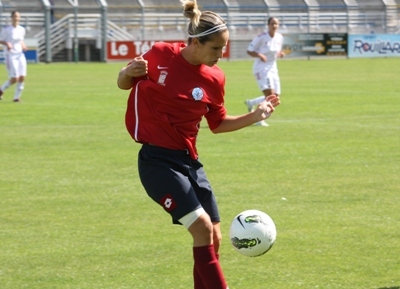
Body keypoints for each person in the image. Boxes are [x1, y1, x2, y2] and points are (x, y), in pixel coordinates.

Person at [117, 0, 280, 288]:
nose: (221, 54)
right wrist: (129, 72)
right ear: (194, 42)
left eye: (224, 47)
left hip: (190, 163)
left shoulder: (216, 78)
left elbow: (218, 124)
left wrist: (256, 115)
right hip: (157, 162)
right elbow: (123, 82)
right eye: (215, 48)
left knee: (213, 238)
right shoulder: (160, 54)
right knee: (202, 229)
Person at [245, 16, 285, 126]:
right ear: (268, 25)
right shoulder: (261, 37)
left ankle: (251, 103)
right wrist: (259, 55)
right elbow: (249, 50)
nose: (274, 26)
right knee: (269, 95)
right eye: (272, 23)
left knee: (275, 97)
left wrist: (280, 54)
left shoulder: (280, 37)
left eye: (276, 24)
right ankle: (259, 119)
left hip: (273, 68)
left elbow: (276, 52)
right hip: (261, 68)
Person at [0, 11, 27, 102]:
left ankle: (16, 97)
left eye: (18, 17)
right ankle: (1, 90)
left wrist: (23, 45)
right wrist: (7, 43)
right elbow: (1, 40)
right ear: (11, 18)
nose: (17, 18)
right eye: (15, 16)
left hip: (20, 54)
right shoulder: (7, 29)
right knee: (14, 78)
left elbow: (21, 40)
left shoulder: (21, 29)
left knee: (22, 76)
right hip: (10, 55)